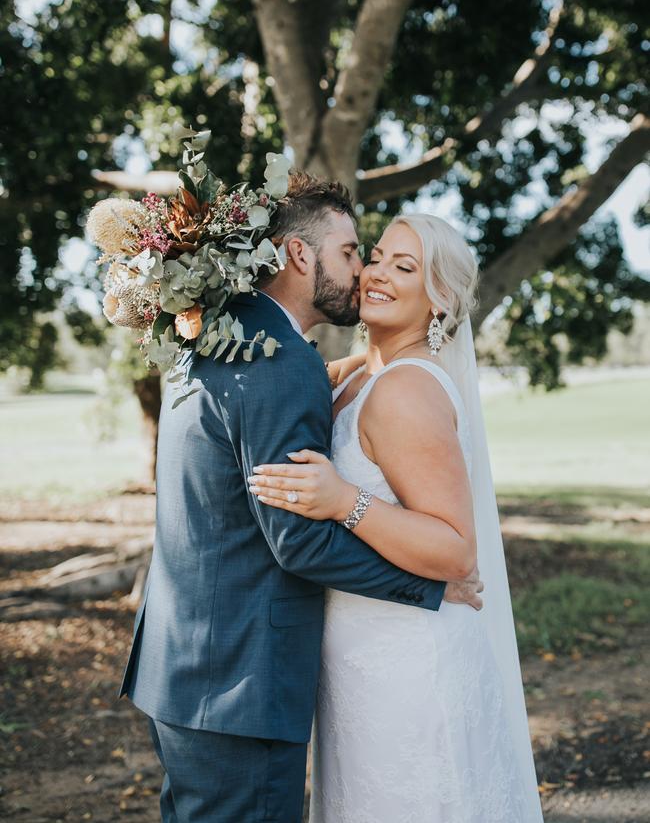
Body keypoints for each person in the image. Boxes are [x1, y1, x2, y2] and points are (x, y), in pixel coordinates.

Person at [119, 178, 482, 823]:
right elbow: (299, 539)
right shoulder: (277, 361)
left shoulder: (224, 337)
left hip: (190, 664)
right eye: (353, 253)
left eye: (385, 261)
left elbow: (343, 380)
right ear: (298, 255)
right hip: (238, 680)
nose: (363, 271)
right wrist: (430, 587)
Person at [252, 212, 544, 823]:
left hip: (409, 664)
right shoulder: (362, 376)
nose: (376, 273)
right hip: (360, 655)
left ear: (439, 302)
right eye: (377, 256)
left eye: (403, 267)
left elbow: (457, 550)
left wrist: (343, 502)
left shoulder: (405, 391)